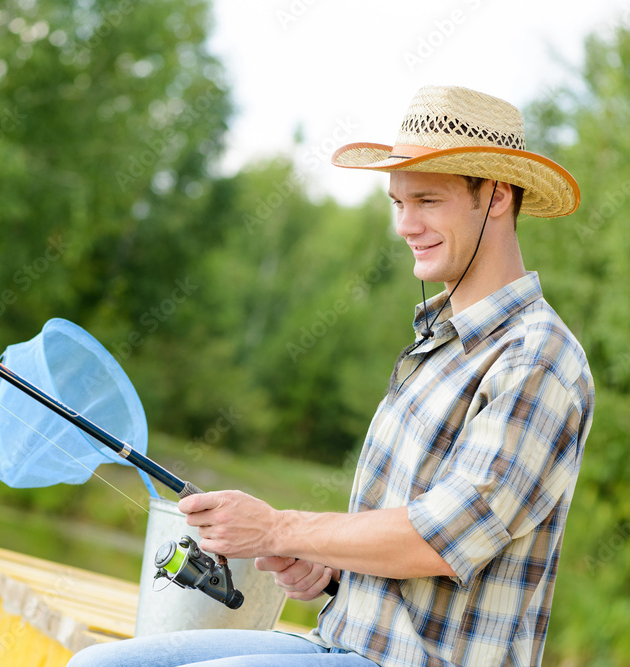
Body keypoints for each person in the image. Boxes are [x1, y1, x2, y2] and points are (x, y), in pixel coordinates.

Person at [69, 85, 595, 666]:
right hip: (341, 642)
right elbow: (409, 559)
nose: (405, 225)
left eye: (426, 200)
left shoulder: (537, 359)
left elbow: (442, 540)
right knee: (97, 663)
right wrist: (330, 572)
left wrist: (276, 530)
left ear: (495, 197)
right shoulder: (438, 344)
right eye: (398, 203)